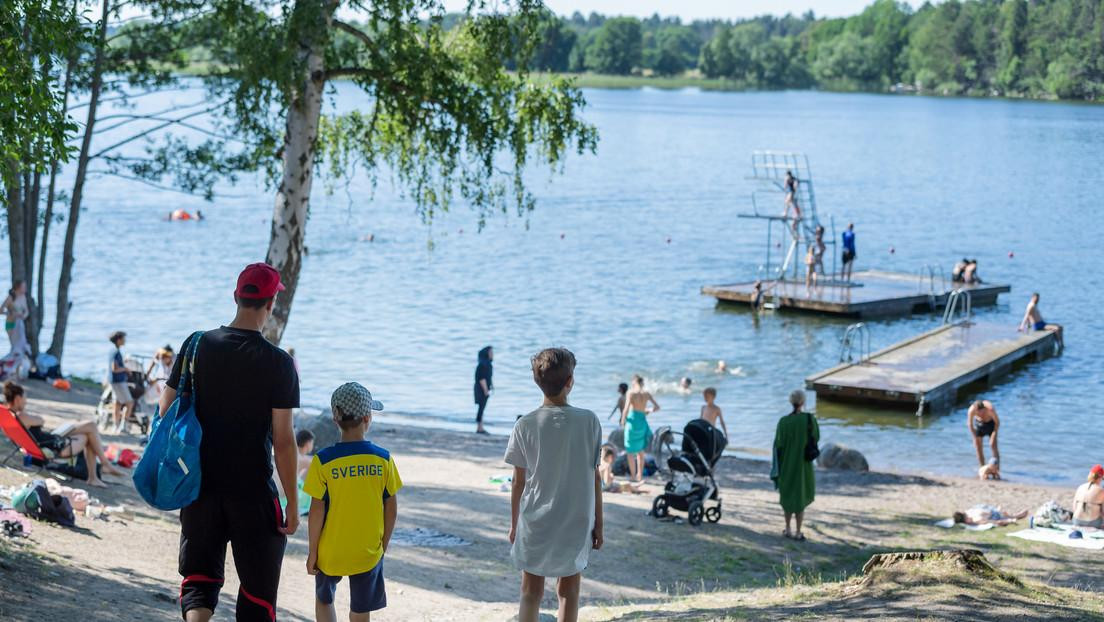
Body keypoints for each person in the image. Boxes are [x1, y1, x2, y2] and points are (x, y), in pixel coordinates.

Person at [161, 262, 300, 622]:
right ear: (271, 305)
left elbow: (166, 411)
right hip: (251, 491)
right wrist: (293, 504)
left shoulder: (196, 345)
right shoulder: (279, 364)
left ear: (236, 297)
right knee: (258, 595)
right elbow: (284, 442)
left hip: (199, 484)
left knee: (199, 582)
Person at [505, 347, 602, 622]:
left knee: (530, 592)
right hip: (576, 520)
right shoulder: (589, 422)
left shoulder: (525, 424)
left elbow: (518, 483)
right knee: (569, 592)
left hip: (536, 520)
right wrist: (599, 524)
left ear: (537, 381)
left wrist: (515, 524)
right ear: (570, 381)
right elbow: (595, 476)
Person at [305, 383, 401, 622]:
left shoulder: (322, 461)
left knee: (324, 599)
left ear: (336, 420)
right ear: (368, 418)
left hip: (330, 552)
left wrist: (313, 552)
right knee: (360, 609)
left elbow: (316, 511)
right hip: (367, 551)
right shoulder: (383, 459)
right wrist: (384, 543)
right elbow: (391, 507)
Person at [4, 381, 124, 488]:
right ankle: (102, 467)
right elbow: (41, 420)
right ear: (18, 399)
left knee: (87, 432)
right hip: (55, 446)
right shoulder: (21, 416)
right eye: (25, 398)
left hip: (49, 442)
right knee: (90, 427)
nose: (26, 401)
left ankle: (95, 476)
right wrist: (24, 410)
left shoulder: (10, 418)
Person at [772, 390, 818, 541]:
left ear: (791, 402)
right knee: (800, 495)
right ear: (803, 402)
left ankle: (788, 528)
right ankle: (798, 532)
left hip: (786, 464)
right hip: (803, 465)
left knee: (787, 495)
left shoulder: (783, 422)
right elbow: (816, 437)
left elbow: (778, 444)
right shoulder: (809, 419)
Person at [621, 375, 659, 484]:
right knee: (640, 452)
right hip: (642, 422)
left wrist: (622, 421)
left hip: (632, 422)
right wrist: (647, 410)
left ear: (634, 382)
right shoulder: (646, 393)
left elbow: (626, 409)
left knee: (630, 451)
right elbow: (657, 407)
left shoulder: (631, 393)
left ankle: (633, 476)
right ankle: (639, 476)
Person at [107, 331, 134, 434]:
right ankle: (123, 426)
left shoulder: (113, 351)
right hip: (118, 381)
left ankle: (116, 425)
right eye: (123, 338)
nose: (124, 340)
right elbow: (114, 368)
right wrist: (125, 369)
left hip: (113, 381)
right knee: (130, 402)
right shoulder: (116, 352)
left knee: (117, 403)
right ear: (119, 340)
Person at [967, 400, 1000, 469]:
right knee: (978, 446)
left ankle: (996, 468)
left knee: (992, 445)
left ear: (984, 409)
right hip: (979, 425)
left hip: (991, 425)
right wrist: (974, 436)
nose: (980, 415)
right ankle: (982, 468)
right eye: (977, 413)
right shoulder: (971, 410)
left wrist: (994, 435)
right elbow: (970, 424)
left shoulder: (990, 409)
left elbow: (997, 423)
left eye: (981, 412)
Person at [1, 281, 30, 356]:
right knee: (15, 345)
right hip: (11, 323)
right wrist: (10, 314)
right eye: (23, 287)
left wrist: (23, 316)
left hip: (20, 323)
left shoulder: (23, 297)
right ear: (18, 288)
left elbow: (26, 311)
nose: (25, 289)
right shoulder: (10, 298)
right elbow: (1, 310)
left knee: (21, 344)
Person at [1072, 465, 1104, 529]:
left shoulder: (1080, 487)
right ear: (1100, 478)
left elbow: (1074, 507)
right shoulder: (1101, 490)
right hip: (1093, 523)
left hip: (1077, 521)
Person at [144, 346, 174, 412]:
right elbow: (156, 357)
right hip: (161, 381)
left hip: (170, 383)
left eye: (165, 357)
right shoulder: (161, 358)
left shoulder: (175, 360)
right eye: (162, 357)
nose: (163, 359)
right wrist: (148, 373)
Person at [474, 346, 493, 435]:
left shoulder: (487, 364)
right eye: (490, 353)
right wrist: (485, 390)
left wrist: (491, 386)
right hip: (481, 389)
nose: (492, 354)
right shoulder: (483, 365)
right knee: (481, 408)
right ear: (486, 354)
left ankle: (480, 427)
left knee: (482, 408)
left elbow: (488, 378)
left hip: (483, 388)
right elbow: (482, 378)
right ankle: (479, 428)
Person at [952, 505, 1028, 526]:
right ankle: (1016, 516)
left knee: (1003, 512)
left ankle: (1015, 515)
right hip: (995, 515)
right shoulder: (976, 520)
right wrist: (1009, 521)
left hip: (992, 511)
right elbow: (993, 521)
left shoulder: (968, 512)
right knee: (1004, 513)